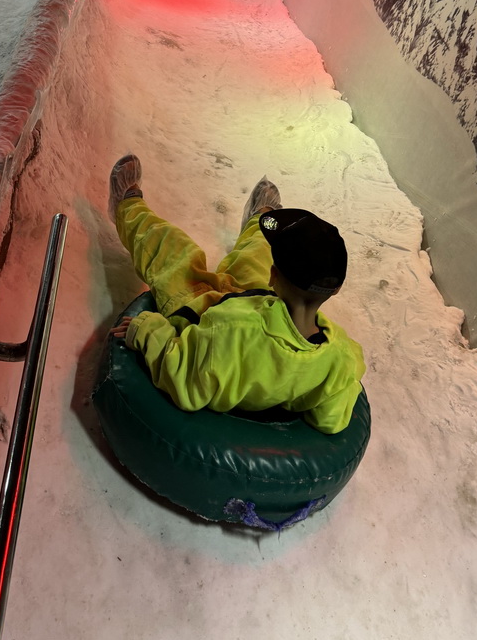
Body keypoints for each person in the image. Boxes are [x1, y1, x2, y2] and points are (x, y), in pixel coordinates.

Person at [108, 154, 366, 434]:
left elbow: (183, 376)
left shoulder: (228, 334)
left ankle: (127, 204)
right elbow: (331, 420)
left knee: (173, 251)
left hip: (200, 310)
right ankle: (260, 218)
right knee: (256, 254)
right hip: (259, 300)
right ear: (336, 288)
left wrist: (147, 329)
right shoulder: (342, 357)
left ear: (274, 275)